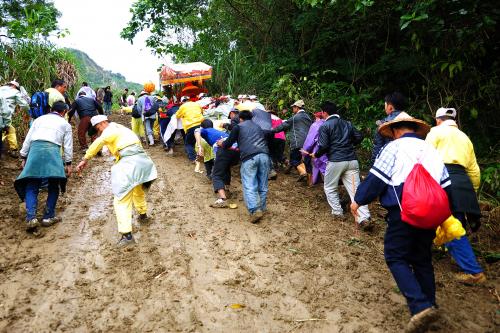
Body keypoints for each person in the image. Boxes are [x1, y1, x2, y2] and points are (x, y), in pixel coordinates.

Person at [351, 112, 450, 332]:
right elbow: (446, 185)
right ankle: (430, 304)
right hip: (432, 212)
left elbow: (377, 179)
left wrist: (358, 200)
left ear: (395, 131)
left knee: (395, 256)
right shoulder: (430, 149)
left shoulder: (393, 148)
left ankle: (420, 306)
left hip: (405, 210)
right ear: (414, 129)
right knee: (422, 259)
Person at [76, 115, 157, 247]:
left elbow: (98, 142)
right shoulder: (123, 129)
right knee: (137, 190)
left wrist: (85, 159)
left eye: (98, 129)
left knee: (121, 199)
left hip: (129, 162)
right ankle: (143, 215)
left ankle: (127, 236)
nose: (98, 133)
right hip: (143, 162)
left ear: (102, 123)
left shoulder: (109, 129)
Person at [426, 107, 486, 284]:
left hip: (442, 180)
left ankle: (474, 271)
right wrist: (472, 192)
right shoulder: (465, 138)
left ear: (438, 120)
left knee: (443, 223)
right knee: (456, 224)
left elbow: (426, 158)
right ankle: (456, 256)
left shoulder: (435, 132)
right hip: (463, 183)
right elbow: (474, 170)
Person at [14, 101, 73, 233]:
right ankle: (48, 217)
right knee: (54, 185)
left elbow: (28, 139)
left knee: (32, 185)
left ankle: (31, 218)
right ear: (64, 112)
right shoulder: (65, 124)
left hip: (35, 150)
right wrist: (68, 163)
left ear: (51, 109)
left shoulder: (39, 120)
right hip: (53, 152)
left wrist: (23, 156)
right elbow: (68, 146)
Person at [313, 101, 372, 229]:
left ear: (324, 112)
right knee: (355, 190)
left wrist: (316, 155)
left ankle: (337, 212)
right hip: (352, 160)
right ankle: (364, 218)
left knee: (329, 187)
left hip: (336, 160)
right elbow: (359, 136)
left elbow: (324, 146)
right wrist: (349, 144)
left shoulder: (325, 126)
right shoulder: (347, 123)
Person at [218, 110, 269, 223]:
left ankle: (255, 210)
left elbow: (229, 143)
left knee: (249, 184)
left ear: (240, 118)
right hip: (265, 156)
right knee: (263, 184)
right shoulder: (258, 127)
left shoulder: (238, 127)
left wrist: (221, 143)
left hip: (249, 157)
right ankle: (262, 208)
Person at [195, 119, 239, 208]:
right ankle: (226, 189)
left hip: (224, 150)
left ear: (202, 126)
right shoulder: (218, 132)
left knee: (216, 174)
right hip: (237, 152)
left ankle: (222, 199)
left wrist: (199, 146)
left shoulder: (206, 130)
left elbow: (196, 131)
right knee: (226, 168)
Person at [272, 99, 312, 181]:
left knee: (294, 160)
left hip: (297, 142)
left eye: (293, 108)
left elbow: (283, 126)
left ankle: (303, 173)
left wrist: (272, 130)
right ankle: (309, 180)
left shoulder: (295, 118)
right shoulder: (308, 117)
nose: (292, 109)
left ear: (297, 108)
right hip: (307, 143)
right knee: (304, 161)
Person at [371, 92, 405, 163]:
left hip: (389, 163)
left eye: (385, 105)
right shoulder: (412, 123)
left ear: (390, 107)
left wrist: (374, 164)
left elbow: (377, 149)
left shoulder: (383, 125)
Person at [0, 80, 29, 158]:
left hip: (3, 116)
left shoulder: (1, 88)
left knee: (10, 130)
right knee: (7, 130)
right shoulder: (15, 92)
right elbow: (24, 104)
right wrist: (30, 112)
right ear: (14, 86)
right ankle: (13, 150)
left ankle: (13, 149)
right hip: (4, 116)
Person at [301, 111, 328, 185]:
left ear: (317, 117)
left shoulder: (316, 125)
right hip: (331, 153)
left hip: (318, 152)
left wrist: (304, 151)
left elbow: (310, 140)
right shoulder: (330, 124)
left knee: (319, 168)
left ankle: (312, 183)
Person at [176, 95, 204, 161]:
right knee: (197, 141)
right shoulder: (196, 104)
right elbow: (202, 112)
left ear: (182, 102)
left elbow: (177, 116)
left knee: (188, 143)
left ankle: (193, 158)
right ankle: (200, 155)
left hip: (191, 126)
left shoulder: (182, 106)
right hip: (201, 124)